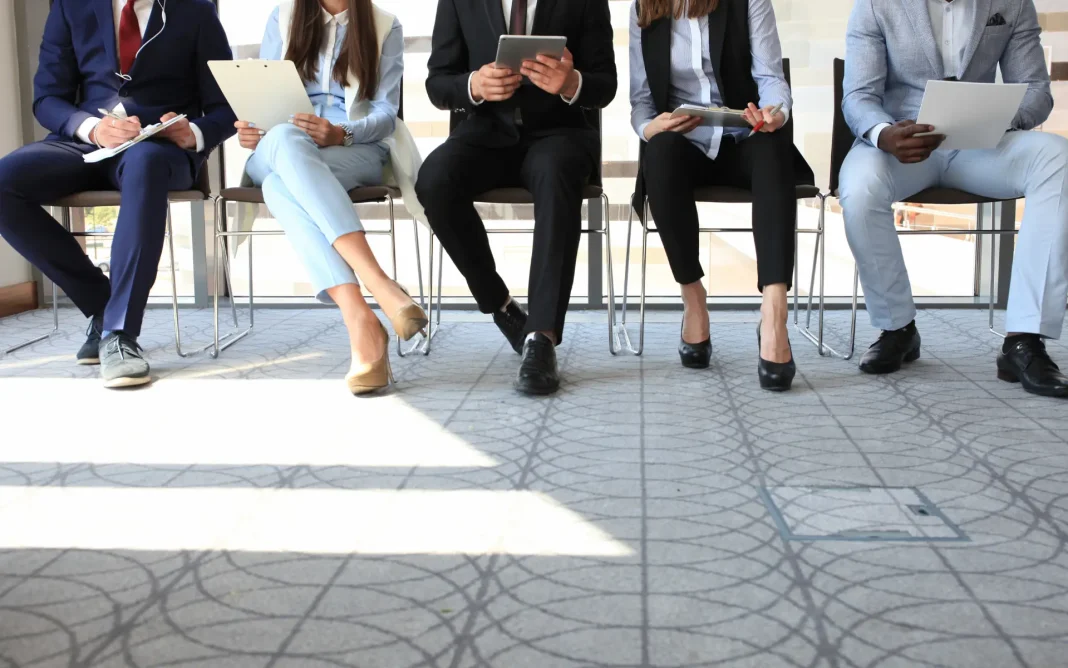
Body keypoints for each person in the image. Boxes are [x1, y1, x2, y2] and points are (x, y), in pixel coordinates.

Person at [0, 0, 236, 388]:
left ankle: (120, 334)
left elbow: (224, 108)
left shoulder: (195, 9)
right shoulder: (70, 7)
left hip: (159, 147)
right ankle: (102, 303)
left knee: (144, 164)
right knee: (5, 180)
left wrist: (191, 132)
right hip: (87, 142)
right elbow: (47, 99)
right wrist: (92, 129)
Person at [840, 0, 1068, 399]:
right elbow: (858, 95)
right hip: (903, 145)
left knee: (1058, 159)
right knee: (859, 188)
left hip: (984, 144)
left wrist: (997, 120)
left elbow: (1036, 92)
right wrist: (884, 134)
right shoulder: (876, 5)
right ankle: (898, 328)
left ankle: (1024, 340)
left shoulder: (1010, 3)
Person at [416, 0, 617, 396]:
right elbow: (438, 82)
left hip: (559, 134)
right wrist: (473, 85)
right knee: (434, 181)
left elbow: (605, 83)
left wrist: (571, 81)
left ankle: (541, 337)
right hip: (485, 132)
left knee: (557, 173)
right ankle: (502, 306)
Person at [235, 0, 427, 396]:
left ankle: (361, 321)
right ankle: (379, 284)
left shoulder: (384, 25)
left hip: (352, 149)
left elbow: (386, 113)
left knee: (280, 187)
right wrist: (252, 130)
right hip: (279, 147)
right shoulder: (282, 18)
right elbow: (261, 103)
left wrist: (342, 133)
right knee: (286, 140)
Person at [629, 0, 815, 391]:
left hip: (742, 137)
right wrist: (652, 126)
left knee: (773, 143)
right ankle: (693, 300)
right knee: (659, 151)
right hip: (684, 145)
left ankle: (774, 313)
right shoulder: (644, 7)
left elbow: (771, 77)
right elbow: (641, 101)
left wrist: (773, 113)